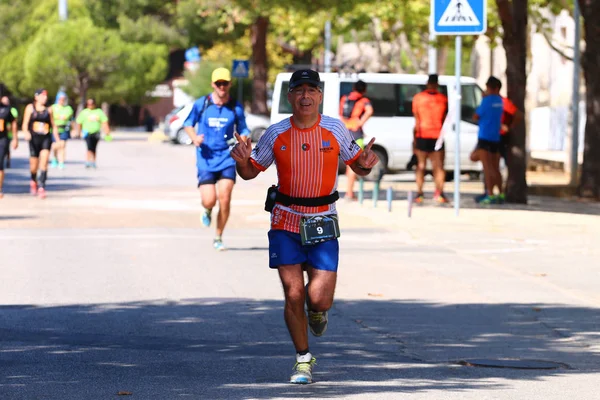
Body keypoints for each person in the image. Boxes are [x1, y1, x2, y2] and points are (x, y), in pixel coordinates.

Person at [231, 69, 379, 384]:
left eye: (312, 90)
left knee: (320, 298)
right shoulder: (275, 133)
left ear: (320, 96)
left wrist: (364, 164)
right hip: (285, 219)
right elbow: (251, 172)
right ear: (290, 96)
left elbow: (358, 166)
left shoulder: (336, 129)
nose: (305, 96)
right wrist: (242, 161)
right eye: (299, 90)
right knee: (294, 292)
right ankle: (302, 358)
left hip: (323, 219)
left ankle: (317, 311)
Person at [183, 67, 250, 251]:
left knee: (225, 197)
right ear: (213, 84)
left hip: (227, 158)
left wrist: (242, 142)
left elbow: (243, 129)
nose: (222, 87)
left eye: (225, 83)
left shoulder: (235, 107)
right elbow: (188, 123)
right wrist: (195, 137)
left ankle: (218, 236)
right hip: (206, 158)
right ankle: (207, 208)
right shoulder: (202, 104)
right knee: (209, 199)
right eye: (218, 83)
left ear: (230, 84)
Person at [411, 74, 449, 203]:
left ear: (427, 83)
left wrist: (414, 139)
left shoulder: (418, 98)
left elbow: (416, 119)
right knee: (438, 166)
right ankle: (439, 193)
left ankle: (419, 193)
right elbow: (444, 118)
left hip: (422, 134)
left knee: (421, 165)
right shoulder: (443, 99)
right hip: (437, 135)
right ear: (437, 84)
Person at [470, 76, 504, 204]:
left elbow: (475, 116)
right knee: (495, 168)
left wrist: (483, 99)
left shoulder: (487, 100)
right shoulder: (500, 101)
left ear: (492, 88)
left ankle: (489, 194)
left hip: (484, 137)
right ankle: (500, 193)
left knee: (487, 167)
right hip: (496, 137)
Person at [339, 80, 373, 200]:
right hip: (355, 134)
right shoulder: (364, 101)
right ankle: (349, 193)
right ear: (364, 90)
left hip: (344, 133)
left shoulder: (344, 98)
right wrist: (360, 122)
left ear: (353, 88)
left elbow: (341, 115)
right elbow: (369, 111)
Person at [22, 89, 59, 199]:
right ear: (36, 97)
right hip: (34, 139)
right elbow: (25, 124)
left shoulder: (49, 109)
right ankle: (33, 180)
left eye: (46, 96)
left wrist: (57, 140)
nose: (45, 98)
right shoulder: (30, 108)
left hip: (45, 139)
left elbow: (54, 125)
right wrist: (26, 133)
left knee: (44, 161)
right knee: (34, 166)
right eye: (42, 96)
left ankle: (42, 186)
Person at [76, 98, 109, 168]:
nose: (90, 105)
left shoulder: (99, 112)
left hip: (96, 132)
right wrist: (78, 132)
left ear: (94, 104)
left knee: (94, 148)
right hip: (87, 133)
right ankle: (88, 160)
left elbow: (104, 122)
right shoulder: (84, 112)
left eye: (91, 104)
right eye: (88, 104)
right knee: (89, 147)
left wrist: (107, 132)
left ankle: (93, 161)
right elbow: (79, 122)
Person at [0, 96, 19, 198]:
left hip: (2, 139)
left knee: (0, 163)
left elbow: (13, 122)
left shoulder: (6, 109)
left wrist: (15, 138)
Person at [50, 93, 74, 169]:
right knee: (55, 146)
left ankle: (61, 162)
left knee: (62, 145)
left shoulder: (68, 108)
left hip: (64, 128)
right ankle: (54, 158)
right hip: (54, 129)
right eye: (60, 99)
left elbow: (66, 118)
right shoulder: (53, 107)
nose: (62, 101)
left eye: (63, 99)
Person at [1, 96, 18, 169]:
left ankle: (8, 160)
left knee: (6, 150)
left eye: (7, 100)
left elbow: (14, 122)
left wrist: (15, 138)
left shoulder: (11, 110)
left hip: (6, 135)